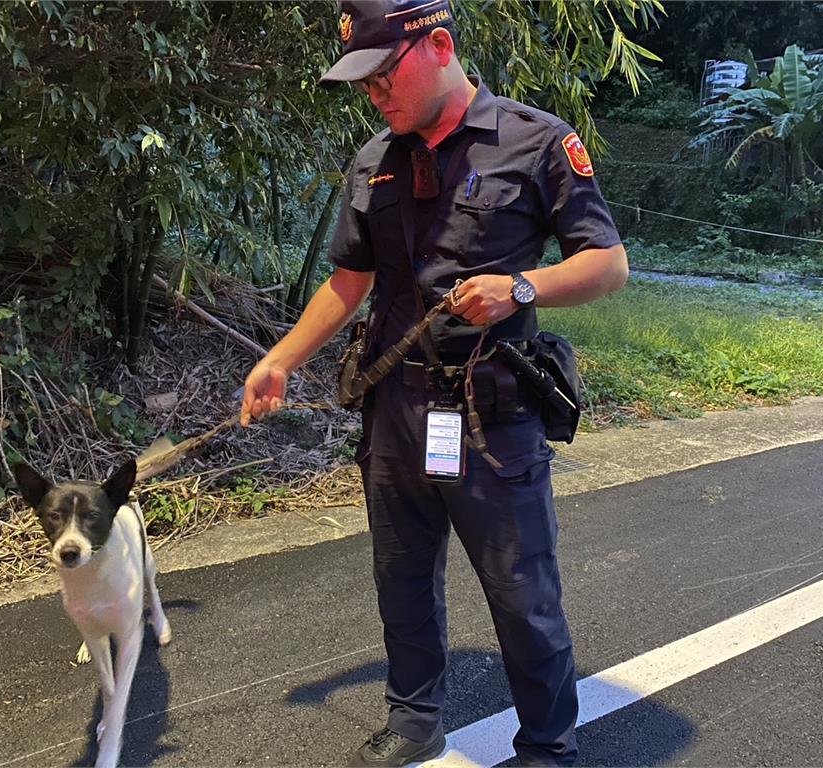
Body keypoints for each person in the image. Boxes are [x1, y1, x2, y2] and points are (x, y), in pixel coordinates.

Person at [240, 2, 628, 765]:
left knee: (522, 593)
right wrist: (281, 357)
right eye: (364, 82)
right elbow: (349, 282)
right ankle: (414, 720)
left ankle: (548, 746)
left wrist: (520, 289)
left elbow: (606, 265)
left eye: (385, 74)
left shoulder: (536, 140)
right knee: (402, 580)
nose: (375, 93)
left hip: (492, 412)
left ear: (439, 45)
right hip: (395, 409)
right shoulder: (373, 158)